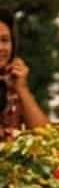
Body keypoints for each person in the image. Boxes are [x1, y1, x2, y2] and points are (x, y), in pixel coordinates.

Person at [1, 9, 49, 139]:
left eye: (5, 40)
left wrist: (21, 89)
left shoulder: (12, 82)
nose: (1, 48)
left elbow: (46, 136)